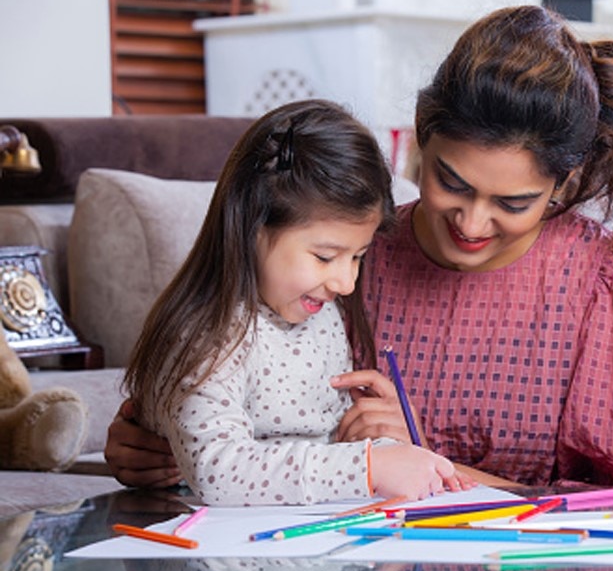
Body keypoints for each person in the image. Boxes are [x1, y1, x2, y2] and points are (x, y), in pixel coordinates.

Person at [106, 5, 613, 490]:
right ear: (420, 132)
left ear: (565, 182)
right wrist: (156, 444)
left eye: (514, 204)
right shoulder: (352, 252)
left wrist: (418, 462)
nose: (472, 222)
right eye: (452, 181)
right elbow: (239, 400)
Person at [120, 99, 467, 505]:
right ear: (252, 228)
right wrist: (367, 467)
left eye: (358, 257)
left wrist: (388, 447)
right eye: (324, 257)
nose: (346, 282)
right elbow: (217, 469)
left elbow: (323, 442)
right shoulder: (211, 333)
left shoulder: (321, 316)